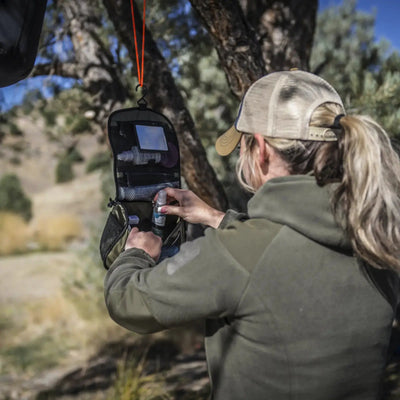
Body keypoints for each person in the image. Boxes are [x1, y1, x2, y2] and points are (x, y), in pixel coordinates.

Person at [104, 70, 400, 400]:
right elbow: (279, 251)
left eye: (242, 146)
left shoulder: (237, 254)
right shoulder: (380, 239)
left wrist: (137, 253)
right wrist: (217, 219)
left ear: (260, 149)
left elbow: (127, 302)